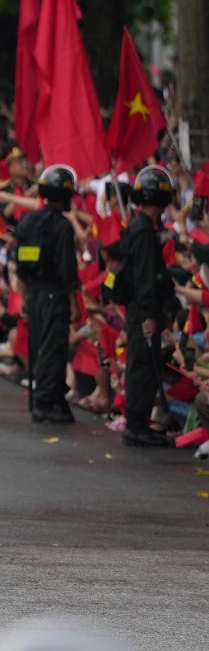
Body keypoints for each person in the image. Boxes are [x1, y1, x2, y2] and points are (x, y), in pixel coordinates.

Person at [13, 164, 80, 423]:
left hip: (33, 294)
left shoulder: (28, 221)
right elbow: (67, 270)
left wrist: (22, 296)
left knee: (42, 345)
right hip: (54, 295)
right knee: (53, 348)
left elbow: (21, 264)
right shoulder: (61, 227)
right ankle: (43, 401)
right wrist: (74, 303)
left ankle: (55, 397)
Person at [116, 165, 176, 447]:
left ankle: (138, 422)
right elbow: (145, 279)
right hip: (143, 311)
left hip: (141, 309)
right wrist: (151, 314)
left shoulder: (141, 227)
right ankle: (135, 424)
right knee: (142, 365)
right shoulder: (142, 231)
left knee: (145, 365)